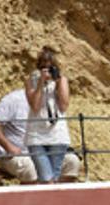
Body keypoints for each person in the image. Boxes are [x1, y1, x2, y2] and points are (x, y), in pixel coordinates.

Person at [0, 89, 81, 185]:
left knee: (72, 161)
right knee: (31, 168)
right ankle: (31, 199)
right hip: (18, 155)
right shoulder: (15, 99)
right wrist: (8, 147)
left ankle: (58, 197)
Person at [24, 47, 72, 183]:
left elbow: (63, 106)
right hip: (36, 135)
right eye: (43, 67)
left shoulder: (61, 80)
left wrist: (57, 83)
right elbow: (35, 106)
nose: (47, 71)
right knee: (46, 178)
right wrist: (40, 83)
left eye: (50, 68)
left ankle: (52, 203)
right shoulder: (31, 80)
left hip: (57, 134)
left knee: (54, 177)